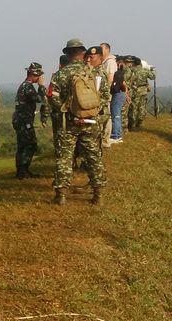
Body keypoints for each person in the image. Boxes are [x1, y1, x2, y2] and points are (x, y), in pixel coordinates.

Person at [50, 39, 108, 205]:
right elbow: (104, 97)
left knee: (64, 158)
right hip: (91, 121)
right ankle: (98, 195)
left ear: (67, 55)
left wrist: (70, 112)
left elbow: (53, 98)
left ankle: (61, 195)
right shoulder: (95, 73)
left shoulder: (60, 74)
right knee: (93, 157)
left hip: (69, 123)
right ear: (83, 54)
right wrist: (91, 113)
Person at [12, 62, 49, 178]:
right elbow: (39, 99)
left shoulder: (24, 86)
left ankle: (22, 171)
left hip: (21, 120)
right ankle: (23, 171)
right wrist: (42, 86)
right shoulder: (27, 87)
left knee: (22, 145)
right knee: (30, 145)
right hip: (24, 121)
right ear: (35, 75)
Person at [86, 46, 112, 149]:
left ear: (100, 58)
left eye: (92, 57)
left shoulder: (99, 74)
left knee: (94, 142)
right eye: (87, 57)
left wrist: (93, 109)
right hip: (94, 111)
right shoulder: (91, 71)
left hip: (98, 112)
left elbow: (104, 95)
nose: (88, 60)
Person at [48, 55, 71, 155]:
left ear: (60, 64)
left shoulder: (56, 76)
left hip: (58, 112)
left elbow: (50, 95)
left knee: (59, 135)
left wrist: (61, 107)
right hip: (75, 112)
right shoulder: (78, 74)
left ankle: (61, 155)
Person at [128, 58, 156, 129]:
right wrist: (152, 70)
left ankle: (132, 124)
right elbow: (153, 77)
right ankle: (139, 122)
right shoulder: (145, 71)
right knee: (142, 107)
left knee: (134, 107)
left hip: (135, 90)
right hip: (143, 90)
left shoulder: (132, 70)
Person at [100, 43, 118, 145]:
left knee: (106, 115)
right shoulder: (104, 62)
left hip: (106, 92)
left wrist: (105, 91)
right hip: (103, 92)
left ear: (107, 49)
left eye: (101, 48)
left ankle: (106, 139)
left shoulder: (110, 62)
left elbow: (110, 77)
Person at [109, 56, 129, 144]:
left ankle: (115, 135)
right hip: (121, 94)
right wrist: (126, 94)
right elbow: (124, 85)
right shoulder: (120, 73)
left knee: (115, 115)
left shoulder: (118, 73)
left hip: (118, 94)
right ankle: (118, 134)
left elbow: (123, 85)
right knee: (117, 115)